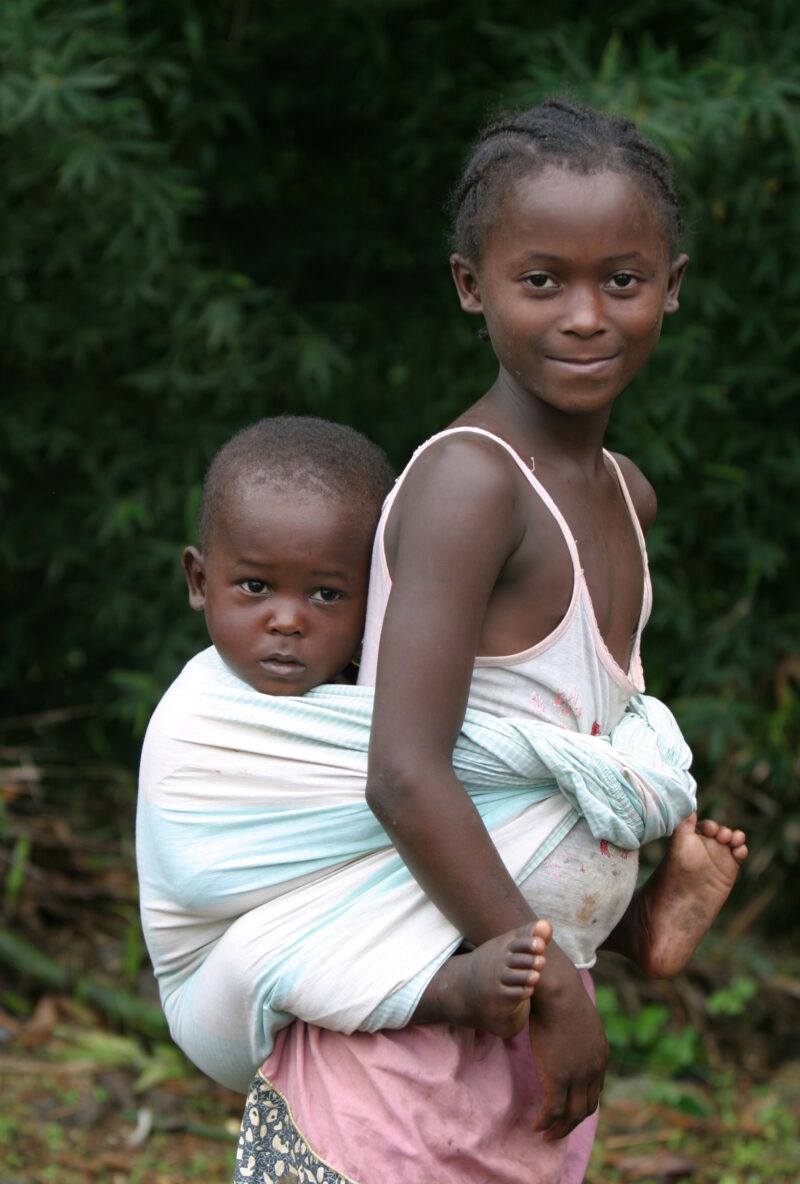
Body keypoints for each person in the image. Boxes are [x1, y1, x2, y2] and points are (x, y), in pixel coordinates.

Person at [235, 99, 748, 1184]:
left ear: (673, 285)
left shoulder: (622, 495)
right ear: (471, 286)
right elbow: (407, 772)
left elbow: (558, 747)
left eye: (621, 280)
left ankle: (643, 925)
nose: (583, 316)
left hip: (512, 1067)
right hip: (395, 1074)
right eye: (540, 279)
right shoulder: (474, 485)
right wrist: (553, 988)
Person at [138, 415, 701, 1098]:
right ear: (199, 580)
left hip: (401, 929)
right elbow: (202, 872)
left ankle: (627, 927)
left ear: (377, 602)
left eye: (326, 594)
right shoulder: (202, 713)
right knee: (278, 949)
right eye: (256, 587)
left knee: (445, 831)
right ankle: (450, 990)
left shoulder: (386, 695)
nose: (287, 619)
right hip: (215, 988)